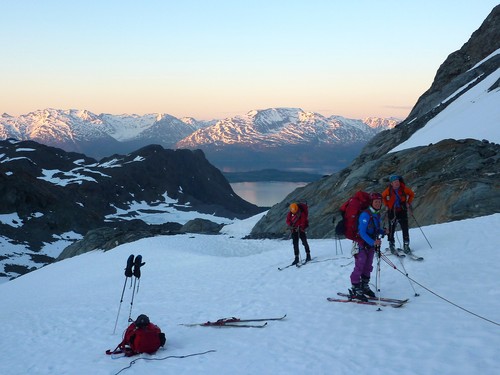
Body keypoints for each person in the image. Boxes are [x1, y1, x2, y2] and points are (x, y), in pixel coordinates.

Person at [349, 192, 386, 301]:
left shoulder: (377, 214)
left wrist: (383, 231)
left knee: (368, 266)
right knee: (360, 265)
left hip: (370, 245)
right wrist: (373, 242)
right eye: (376, 202)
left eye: (379, 202)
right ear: (371, 202)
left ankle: (364, 286)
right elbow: (362, 232)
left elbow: (375, 228)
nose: (378, 204)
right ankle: (355, 287)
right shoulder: (365, 215)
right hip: (361, 244)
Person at [382, 175, 415, 255]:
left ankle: (406, 245)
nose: (397, 183)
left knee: (405, 228)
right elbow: (383, 197)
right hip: (392, 211)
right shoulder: (388, 191)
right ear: (391, 183)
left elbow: (411, 194)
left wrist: (408, 202)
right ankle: (391, 245)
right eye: (395, 182)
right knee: (391, 229)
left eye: (397, 181)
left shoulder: (404, 188)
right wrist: (386, 205)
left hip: (402, 210)